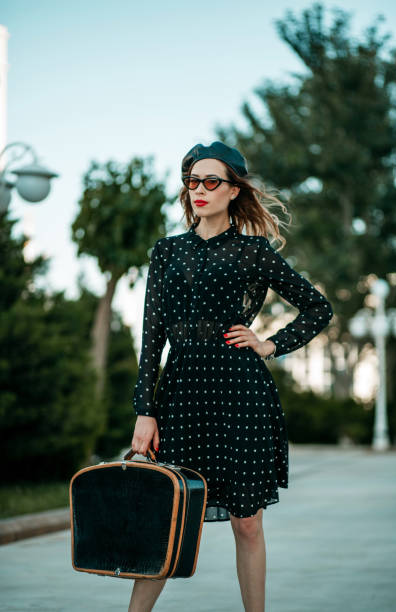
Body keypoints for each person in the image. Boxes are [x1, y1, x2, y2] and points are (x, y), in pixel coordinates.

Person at [128, 141, 334, 612]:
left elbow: (318, 307)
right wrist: (145, 410)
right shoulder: (166, 252)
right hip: (180, 395)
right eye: (192, 181)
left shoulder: (253, 251)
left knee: (247, 522)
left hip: (240, 395)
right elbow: (150, 338)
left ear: (234, 190)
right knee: (170, 517)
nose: (199, 190)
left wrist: (270, 344)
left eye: (211, 181)